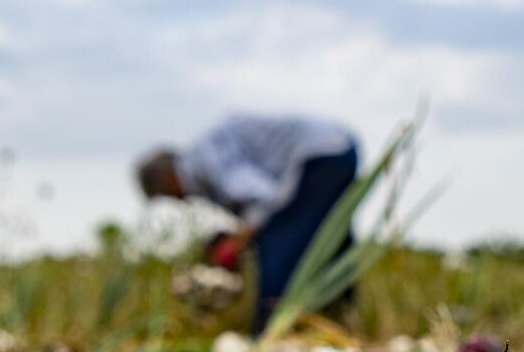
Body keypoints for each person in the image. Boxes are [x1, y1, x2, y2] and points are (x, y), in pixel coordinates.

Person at [136, 113, 358, 331]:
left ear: (167, 178)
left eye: (167, 196)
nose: (178, 202)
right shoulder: (203, 161)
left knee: (276, 244)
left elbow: (265, 199)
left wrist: (236, 243)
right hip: (336, 148)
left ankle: (268, 331)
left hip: (319, 155)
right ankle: (342, 320)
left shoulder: (206, 162)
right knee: (329, 236)